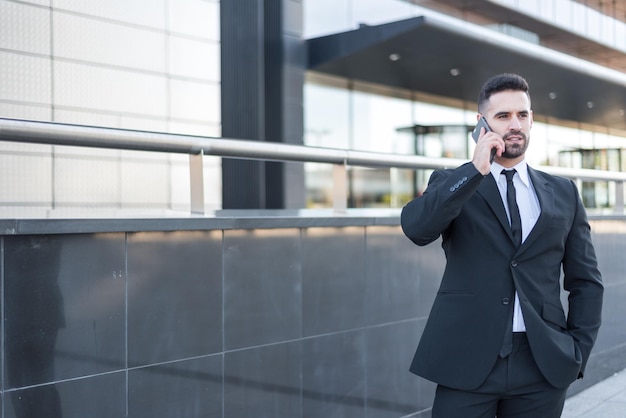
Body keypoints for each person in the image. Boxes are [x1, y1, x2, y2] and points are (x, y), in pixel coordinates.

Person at [401, 73, 604, 417]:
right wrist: (475, 170)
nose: (515, 125)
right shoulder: (454, 182)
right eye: (503, 116)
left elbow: (586, 280)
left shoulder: (563, 192)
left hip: (542, 363)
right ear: (482, 124)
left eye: (522, 115)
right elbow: (418, 228)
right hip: (467, 361)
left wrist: (577, 350)